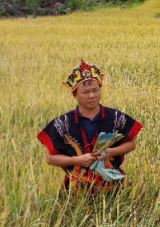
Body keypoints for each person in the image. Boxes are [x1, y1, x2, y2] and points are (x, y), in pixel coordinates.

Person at [36, 60, 142, 191]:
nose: (92, 96)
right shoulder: (62, 123)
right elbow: (50, 158)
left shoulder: (115, 117)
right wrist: (77, 160)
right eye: (86, 92)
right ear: (74, 94)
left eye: (95, 90)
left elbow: (131, 144)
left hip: (112, 184)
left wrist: (110, 152)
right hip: (76, 187)